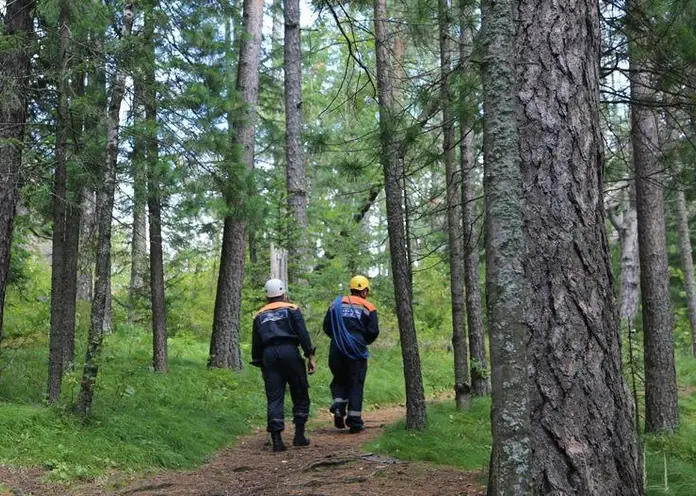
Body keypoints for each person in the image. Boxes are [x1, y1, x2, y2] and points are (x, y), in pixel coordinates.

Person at [251, 278, 317, 452]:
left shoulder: (259, 315)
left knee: (274, 397)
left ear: (267, 296)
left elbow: (256, 343)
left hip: (269, 355)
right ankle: (299, 435)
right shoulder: (292, 309)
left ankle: (277, 439)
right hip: (290, 352)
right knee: (300, 391)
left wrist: (260, 363)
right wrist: (309, 355)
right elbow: (302, 333)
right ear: (283, 292)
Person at [323, 275, 380, 433]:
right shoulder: (369, 307)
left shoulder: (335, 305)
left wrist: (338, 339)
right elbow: (373, 331)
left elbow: (327, 326)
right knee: (355, 382)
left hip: (336, 348)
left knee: (339, 378)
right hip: (356, 349)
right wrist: (362, 341)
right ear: (364, 291)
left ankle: (339, 407)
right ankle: (354, 421)